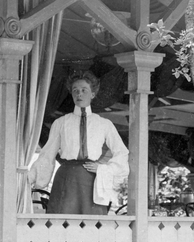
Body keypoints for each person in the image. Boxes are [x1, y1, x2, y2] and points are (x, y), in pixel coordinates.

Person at [30, 71, 129, 215]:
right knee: (63, 220)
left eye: (84, 90)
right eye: (75, 91)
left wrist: (104, 169)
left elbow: (122, 152)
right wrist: (31, 178)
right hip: (66, 178)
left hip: (91, 179)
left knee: (92, 222)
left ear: (93, 94)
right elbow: (47, 154)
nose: (79, 94)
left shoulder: (104, 124)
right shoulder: (61, 123)